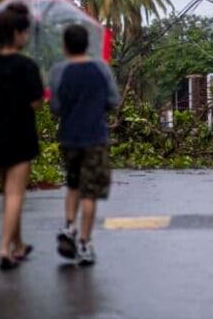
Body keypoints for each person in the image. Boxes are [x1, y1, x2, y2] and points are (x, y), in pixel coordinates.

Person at [0, 2, 44, 270]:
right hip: (19, 133)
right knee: (16, 194)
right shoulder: (26, 66)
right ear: (17, 33)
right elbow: (37, 101)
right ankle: (5, 248)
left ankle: (18, 243)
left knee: (8, 192)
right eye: (24, 32)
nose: (26, 37)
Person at [50, 24, 118, 265]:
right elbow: (112, 101)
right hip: (95, 138)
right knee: (90, 193)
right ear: (87, 44)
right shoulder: (101, 68)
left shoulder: (59, 71)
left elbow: (55, 107)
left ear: (65, 46)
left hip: (69, 137)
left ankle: (69, 226)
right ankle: (85, 243)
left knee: (73, 183)